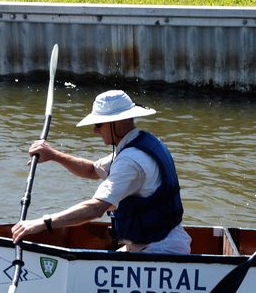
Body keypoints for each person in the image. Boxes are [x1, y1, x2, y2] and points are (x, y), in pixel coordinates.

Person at [10, 90, 192, 255]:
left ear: (117, 122)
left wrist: (43, 223)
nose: (95, 130)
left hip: (160, 250)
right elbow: (92, 170)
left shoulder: (130, 161)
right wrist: (53, 155)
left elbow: (96, 208)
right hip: (158, 242)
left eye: (99, 124)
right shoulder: (142, 142)